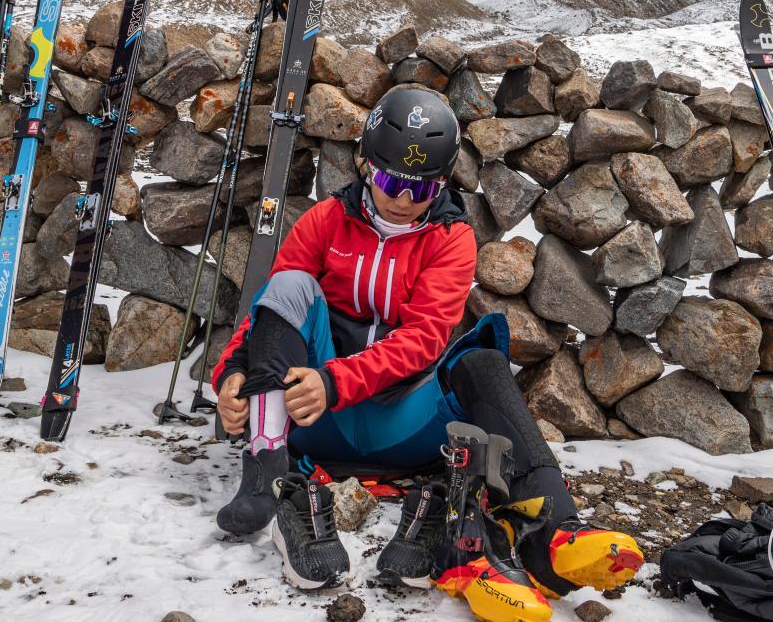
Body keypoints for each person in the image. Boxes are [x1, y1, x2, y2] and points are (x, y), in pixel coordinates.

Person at [212, 87, 643, 617]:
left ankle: (555, 528)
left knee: (481, 356)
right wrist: (232, 374)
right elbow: (269, 311)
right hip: (314, 419)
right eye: (391, 181)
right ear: (366, 166)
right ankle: (265, 470)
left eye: (420, 189)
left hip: (404, 426)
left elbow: (424, 339)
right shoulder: (325, 219)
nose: (403, 199)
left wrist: (336, 381)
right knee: (290, 285)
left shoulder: (450, 238)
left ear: (441, 184)